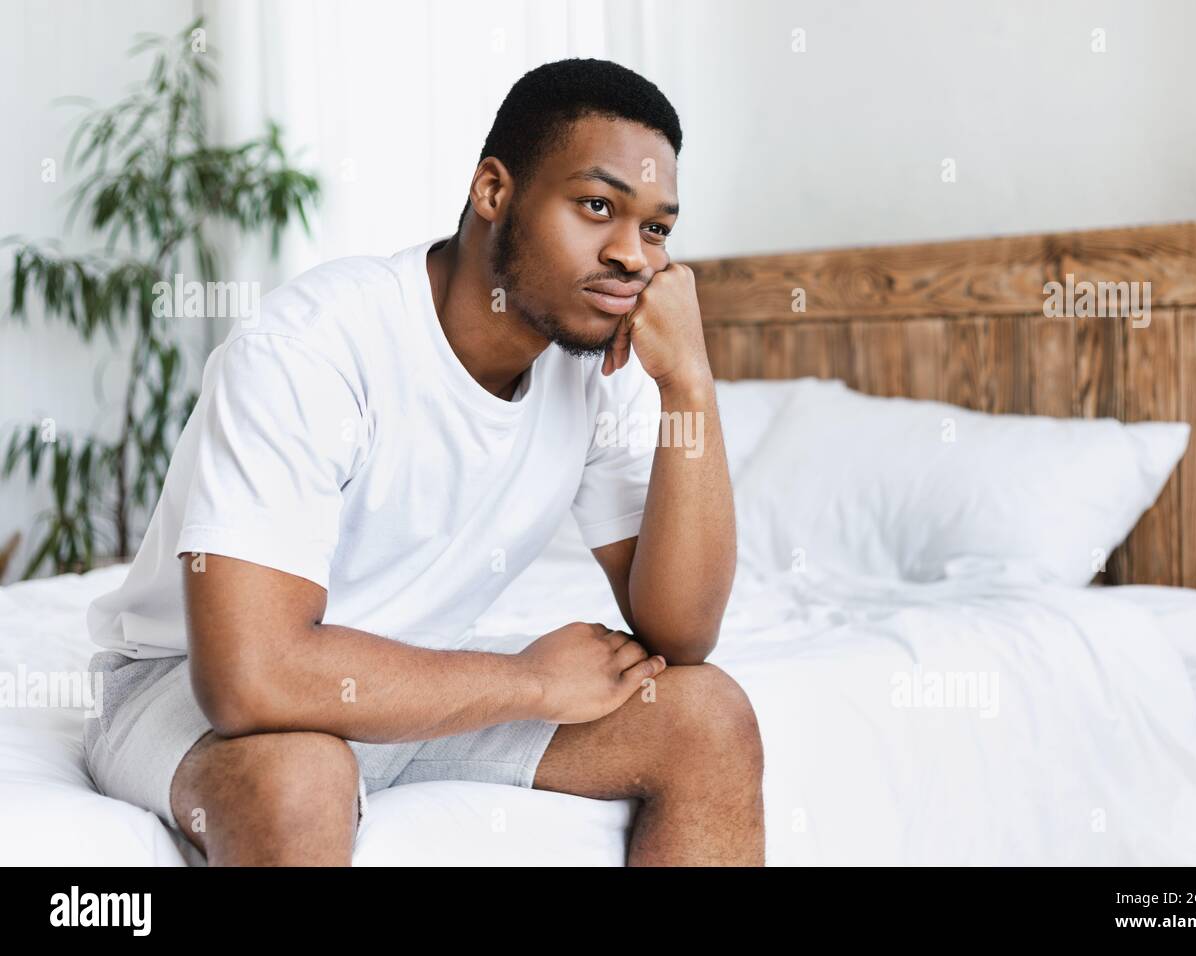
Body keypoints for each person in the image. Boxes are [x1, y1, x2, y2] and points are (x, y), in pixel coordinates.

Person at [82, 57, 764, 866]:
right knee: (300, 773)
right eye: (596, 206)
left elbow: (682, 633)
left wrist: (688, 383)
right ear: (493, 191)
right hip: (186, 693)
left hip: (417, 689)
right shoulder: (314, 345)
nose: (633, 256)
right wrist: (531, 682)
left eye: (655, 228)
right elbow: (250, 678)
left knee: (706, 716)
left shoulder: (592, 373)